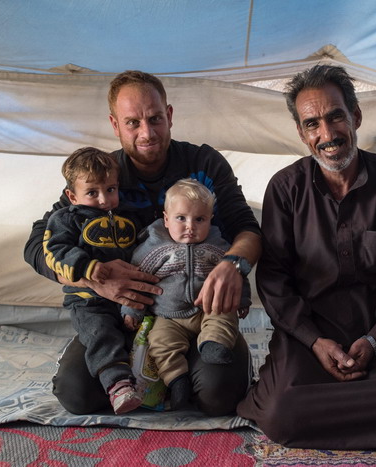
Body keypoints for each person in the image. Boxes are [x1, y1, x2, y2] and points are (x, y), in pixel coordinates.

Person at [236, 65, 376, 451]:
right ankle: (362, 406)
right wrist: (315, 341)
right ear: (302, 133)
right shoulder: (286, 188)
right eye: (312, 124)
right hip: (308, 337)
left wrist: (374, 341)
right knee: (280, 414)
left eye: (335, 116)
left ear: (355, 116)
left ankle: (324, 409)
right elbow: (274, 281)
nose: (327, 135)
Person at [24, 70, 261, 416]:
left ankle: (196, 361)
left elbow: (248, 229)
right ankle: (137, 366)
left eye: (155, 119)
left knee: (219, 396)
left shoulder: (205, 164)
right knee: (78, 396)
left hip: (196, 309)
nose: (147, 132)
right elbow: (37, 243)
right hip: (121, 317)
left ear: (170, 115)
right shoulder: (100, 177)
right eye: (132, 122)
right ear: (114, 124)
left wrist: (233, 265)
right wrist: (95, 278)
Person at [127, 178, 251, 410]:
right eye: (181, 218)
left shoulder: (218, 246)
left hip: (208, 308)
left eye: (199, 219)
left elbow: (236, 276)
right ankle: (176, 380)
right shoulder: (155, 248)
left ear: (210, 220)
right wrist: (132, 309)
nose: (190, 226)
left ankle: (214, 345)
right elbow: (137, 279)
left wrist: (242, 299)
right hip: (168, 315)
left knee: (225, 317)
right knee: (160, 341)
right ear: (166, 219)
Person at [43, 147, 144, 414]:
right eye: (92, 192)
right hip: (89, 303)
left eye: (111, 189)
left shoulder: (129, 216)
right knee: (101, 334)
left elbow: (143, 251)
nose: (104, 199)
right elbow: (54, 252)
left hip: (129, 300)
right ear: (71, 196)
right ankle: (118, 385)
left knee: (147, 337)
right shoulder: (65, 219)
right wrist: (86, 267)